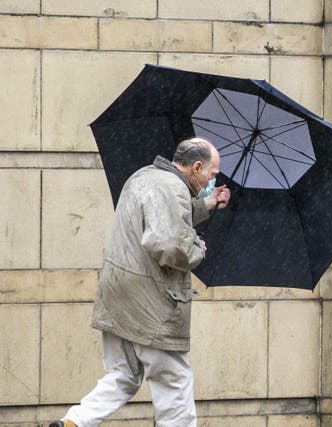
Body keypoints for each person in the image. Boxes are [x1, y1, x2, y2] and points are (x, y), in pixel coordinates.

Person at [50, 137, 231, 427]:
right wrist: (197, 249)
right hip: (152, 303)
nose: (213, 179)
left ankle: (74, 423)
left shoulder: (145, 176)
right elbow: (169, 244)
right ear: (197, 167)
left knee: (122, 375)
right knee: (174, 385)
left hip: (118, 296)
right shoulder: (173, 190)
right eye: (212, 174)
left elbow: (167, 216)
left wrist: (208, 203)